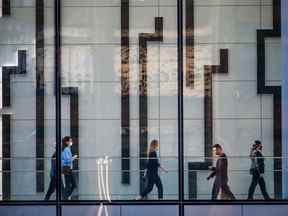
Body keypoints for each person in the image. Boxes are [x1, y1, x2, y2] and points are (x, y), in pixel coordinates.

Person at [61, 136, 78, 200]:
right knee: (72, 185)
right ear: (67, 142)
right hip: (67, 169)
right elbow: (67, 160)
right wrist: (74, 157)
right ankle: (65, 198)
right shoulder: (66, 149)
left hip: (68, 169)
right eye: (70, 141)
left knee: (70, 185)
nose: (71, 142)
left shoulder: (66, 149)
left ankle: (65, 198)